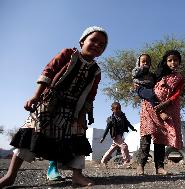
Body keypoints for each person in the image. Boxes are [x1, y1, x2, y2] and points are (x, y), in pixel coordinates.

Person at [0, 26, 108, 187]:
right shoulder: (68, 54)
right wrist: (36, 96)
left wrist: (81, 116)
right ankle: (11, 175)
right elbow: (49, 72)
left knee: (77, 138)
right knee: (30, 133)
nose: (97, 45)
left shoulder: (96, 71)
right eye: (94, 40)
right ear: (82, 41)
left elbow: (91, 95)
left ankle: (77, 176)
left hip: (74, 109)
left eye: (102, 44)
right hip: (50, 102)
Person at [136, 50, 184, 175]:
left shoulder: (179, 78)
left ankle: (159, 167)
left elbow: (176, 94)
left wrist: (165, 105)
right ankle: (141, 166)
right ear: (165, 62)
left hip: (164, 110)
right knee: (146, 138)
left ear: (179, 62)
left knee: (160, 139)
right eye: (170, 60)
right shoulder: (156, 75)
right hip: (148, 108)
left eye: (175, 60)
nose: (173, 62)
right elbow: (144, 86)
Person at [100, 102, 137, 166]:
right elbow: (107, 129)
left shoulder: (122, 116)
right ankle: (126, 162)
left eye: (119, 108)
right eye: (116, 109)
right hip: (115, 136)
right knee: (124, 146)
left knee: (112, 149)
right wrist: (103, 137)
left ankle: (103, 161)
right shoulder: (111, 119)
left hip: (121, 135)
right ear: (112, 110)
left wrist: (133, 128)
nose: (118, 110)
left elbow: (127, 123)